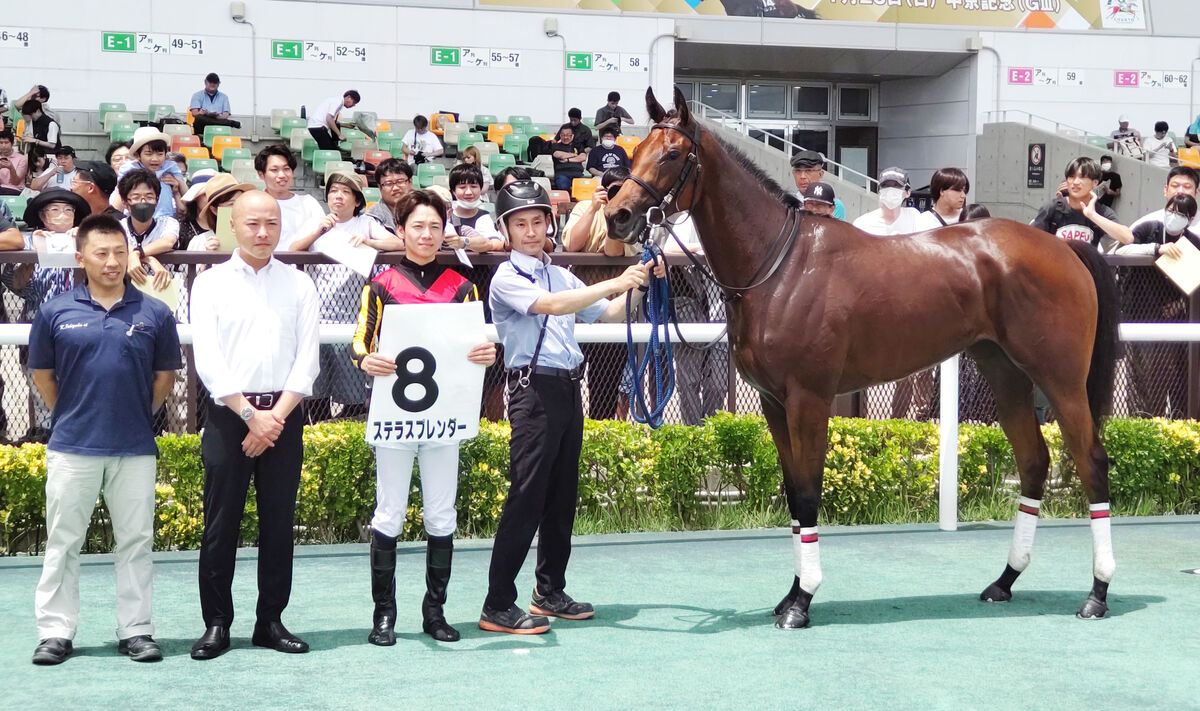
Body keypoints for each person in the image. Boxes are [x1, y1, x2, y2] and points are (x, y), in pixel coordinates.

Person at [480, 180, 660, 634]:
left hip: (566, 390)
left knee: (561, 499)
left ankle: (549, 590)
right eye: (520, 224)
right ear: (506, 229)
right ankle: (498, 602)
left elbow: (610, 313)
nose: (530, 231)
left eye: (537, 221)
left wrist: (641, 280)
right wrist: (616, 281)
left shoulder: (559, 271)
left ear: (548, 223)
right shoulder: (507, 278)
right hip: (531, 391)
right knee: (526, 496)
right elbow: (551, 306)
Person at [27, 214, 181, 665]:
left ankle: (136, 631)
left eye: (120, 252)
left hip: (135, 448)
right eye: (101, 253)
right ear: (81, 258)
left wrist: (133, 415)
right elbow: (43, 376)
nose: (112, 262)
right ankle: (55, 632)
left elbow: (164, 378)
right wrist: (74, 415)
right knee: (63, 541)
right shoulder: (55, 311)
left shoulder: (155, 312)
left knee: (136, 541)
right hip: (72, 446)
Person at [351, 189, 495, 645]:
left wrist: (488, 353)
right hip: (395, 415)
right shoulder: (382, 283)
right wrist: (365, 361)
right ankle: (384, 616)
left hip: (444, 416)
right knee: (389, 513)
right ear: (401, 230)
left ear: (444, 231)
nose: (427, 234)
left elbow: (480, 344)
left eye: (435, 226)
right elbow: (361, 340)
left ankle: (435, 612)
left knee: (441, 513)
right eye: (418, 225)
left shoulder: (464, 285)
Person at [188, 190, 321, 660]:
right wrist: (249, 415)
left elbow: (307, 362)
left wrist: (273, 418)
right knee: (220, 524)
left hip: (284, 417)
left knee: (279, 524)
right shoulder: (209, 284)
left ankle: (270, 621)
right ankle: (217, 623)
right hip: (230, 415)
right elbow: (208, 360)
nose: (263, 233)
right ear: (233, 225)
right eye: (253, 224)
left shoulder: (300, 284)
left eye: (271, 223)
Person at [292, 171, 401, 420]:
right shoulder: (317, 223)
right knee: (316, 392)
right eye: (333, 191)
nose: (337, 197)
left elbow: (396, 243)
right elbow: (293, 249)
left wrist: (370, 242)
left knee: (352, 392)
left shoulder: (366, 223)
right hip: (318, 318)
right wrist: (319, 230)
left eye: (345, 192)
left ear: (357, 200)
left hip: (353, 320)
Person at [562, 167, 639, 421]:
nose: (617, 194)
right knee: (566, 377)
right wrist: (596, 208)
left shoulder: (630, 214)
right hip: (577, 307)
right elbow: (572, 244)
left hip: (613, 311)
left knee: (604, 387)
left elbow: (612, 252)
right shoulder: (585, 207)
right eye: (612, 189)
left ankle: (598, 433)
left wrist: (613, 214)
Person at [1116, 193, 1198, 418]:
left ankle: (1178, 424)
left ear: (1190, 219)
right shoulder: (1147, 229)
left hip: (1177, 322)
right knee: (1141, 377)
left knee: (1173, 376)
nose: (1174, 217)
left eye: (1181, 214)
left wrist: (1180, 305)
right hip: (1139, 314)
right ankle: (1142, 423)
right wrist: (1156, 249)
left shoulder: (1193, 242)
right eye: (1171, 211)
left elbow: (1197, 283)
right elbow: (1121, 250)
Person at [1030, 156, 1133, 252]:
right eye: (1071, 177)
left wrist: (1092, 215)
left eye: (1082, 177)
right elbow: (1032, 242)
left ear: (1095, 183)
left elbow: (1127, 237)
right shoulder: (1052, 208)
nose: (1075, 182)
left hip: (1086, 270)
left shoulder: (1101, 211)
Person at [253, 144, 324, 249]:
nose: (282, 175)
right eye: (274, 170)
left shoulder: (308, 203)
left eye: (286, 169)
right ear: (261, 174)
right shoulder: (253, 205)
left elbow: (322, 237)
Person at [117, 169, 177, 292]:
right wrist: (149, 259)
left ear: (157, 201)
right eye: (136, 197)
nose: (143, 202)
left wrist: (136, 254)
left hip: (162, 290)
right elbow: (121, 245)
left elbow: (168, 242)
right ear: (125, 202)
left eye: (149, 197)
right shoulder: (118, 226)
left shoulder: (168, 223)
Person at [115, 127, 187, 220]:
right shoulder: (129, 169)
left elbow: (186, 194)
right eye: (148, 154)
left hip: (166, 217)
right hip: (137, 218)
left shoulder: (170, 167)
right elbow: (120, 194)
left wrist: (177, 184)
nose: (155, 159)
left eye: (160, 154)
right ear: (137, 155)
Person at [446, 163, 503, 250]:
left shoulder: (484, 217)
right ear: (453, 191)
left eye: (473, 186)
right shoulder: (446, 217)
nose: (469, 192)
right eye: (462, 187)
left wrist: (465, 242)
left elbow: (496, 244)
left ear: (480, 189)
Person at [852, 167, 921, 236]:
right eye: (885, 185)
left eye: (897, 186)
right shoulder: (862, 224)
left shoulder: (914, 217)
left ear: (907, 193)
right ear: (879, 191)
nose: (890, 189)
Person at [1131, 166, 1200, 231]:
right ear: (1165, 190)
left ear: (1196, 193)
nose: (1180, 191)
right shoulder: (1148, 223)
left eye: (1187, 186)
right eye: (1175, 185)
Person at [790, 150, 845, 219]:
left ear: (820, 174)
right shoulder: (787, 203)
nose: (802, 176)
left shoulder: (833, 204)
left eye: (808, 171)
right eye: (798, 171)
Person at [365, 158, 412, 233]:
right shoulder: (373, 218)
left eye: (400, 181)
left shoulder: (423, 210)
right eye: (388, 183)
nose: (395, 188)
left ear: (410, 183)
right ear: (380, 187)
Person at [550, 126, 587, 191]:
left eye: (568, 135)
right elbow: (558, 154)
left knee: (584, 187)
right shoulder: (555, 146)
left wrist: (568, 160)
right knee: (563, 185)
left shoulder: (578, 145)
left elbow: (583, 157)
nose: (565, 137)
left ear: (572, 136)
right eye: (563, 135)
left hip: (578, 174)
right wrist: (574, 155)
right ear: (560, 136)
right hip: (562, 174)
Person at [0, 129, 28, 195]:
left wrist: (11, 168)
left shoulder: (22, 159)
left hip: (15, 190)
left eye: (6, 143)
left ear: (12, 143)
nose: (3, 146)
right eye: (1, 143)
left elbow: (16, 182)